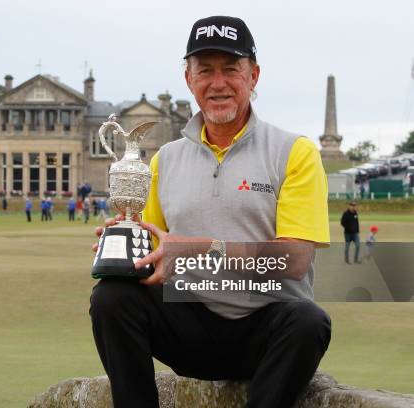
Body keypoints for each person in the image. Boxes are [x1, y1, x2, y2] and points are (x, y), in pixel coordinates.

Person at [89, 16, 331, 408]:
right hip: (190, 325)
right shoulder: (164, 160)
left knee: (308, 322)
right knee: (111, 298)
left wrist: (197, 249)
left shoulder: (294, 151)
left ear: (253, 75)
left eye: (230, 69)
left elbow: (295, 260)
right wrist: (123, 246)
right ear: (189, 79)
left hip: (265, 327)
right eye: (205, 70)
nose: (218, 83)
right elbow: (155, 256)